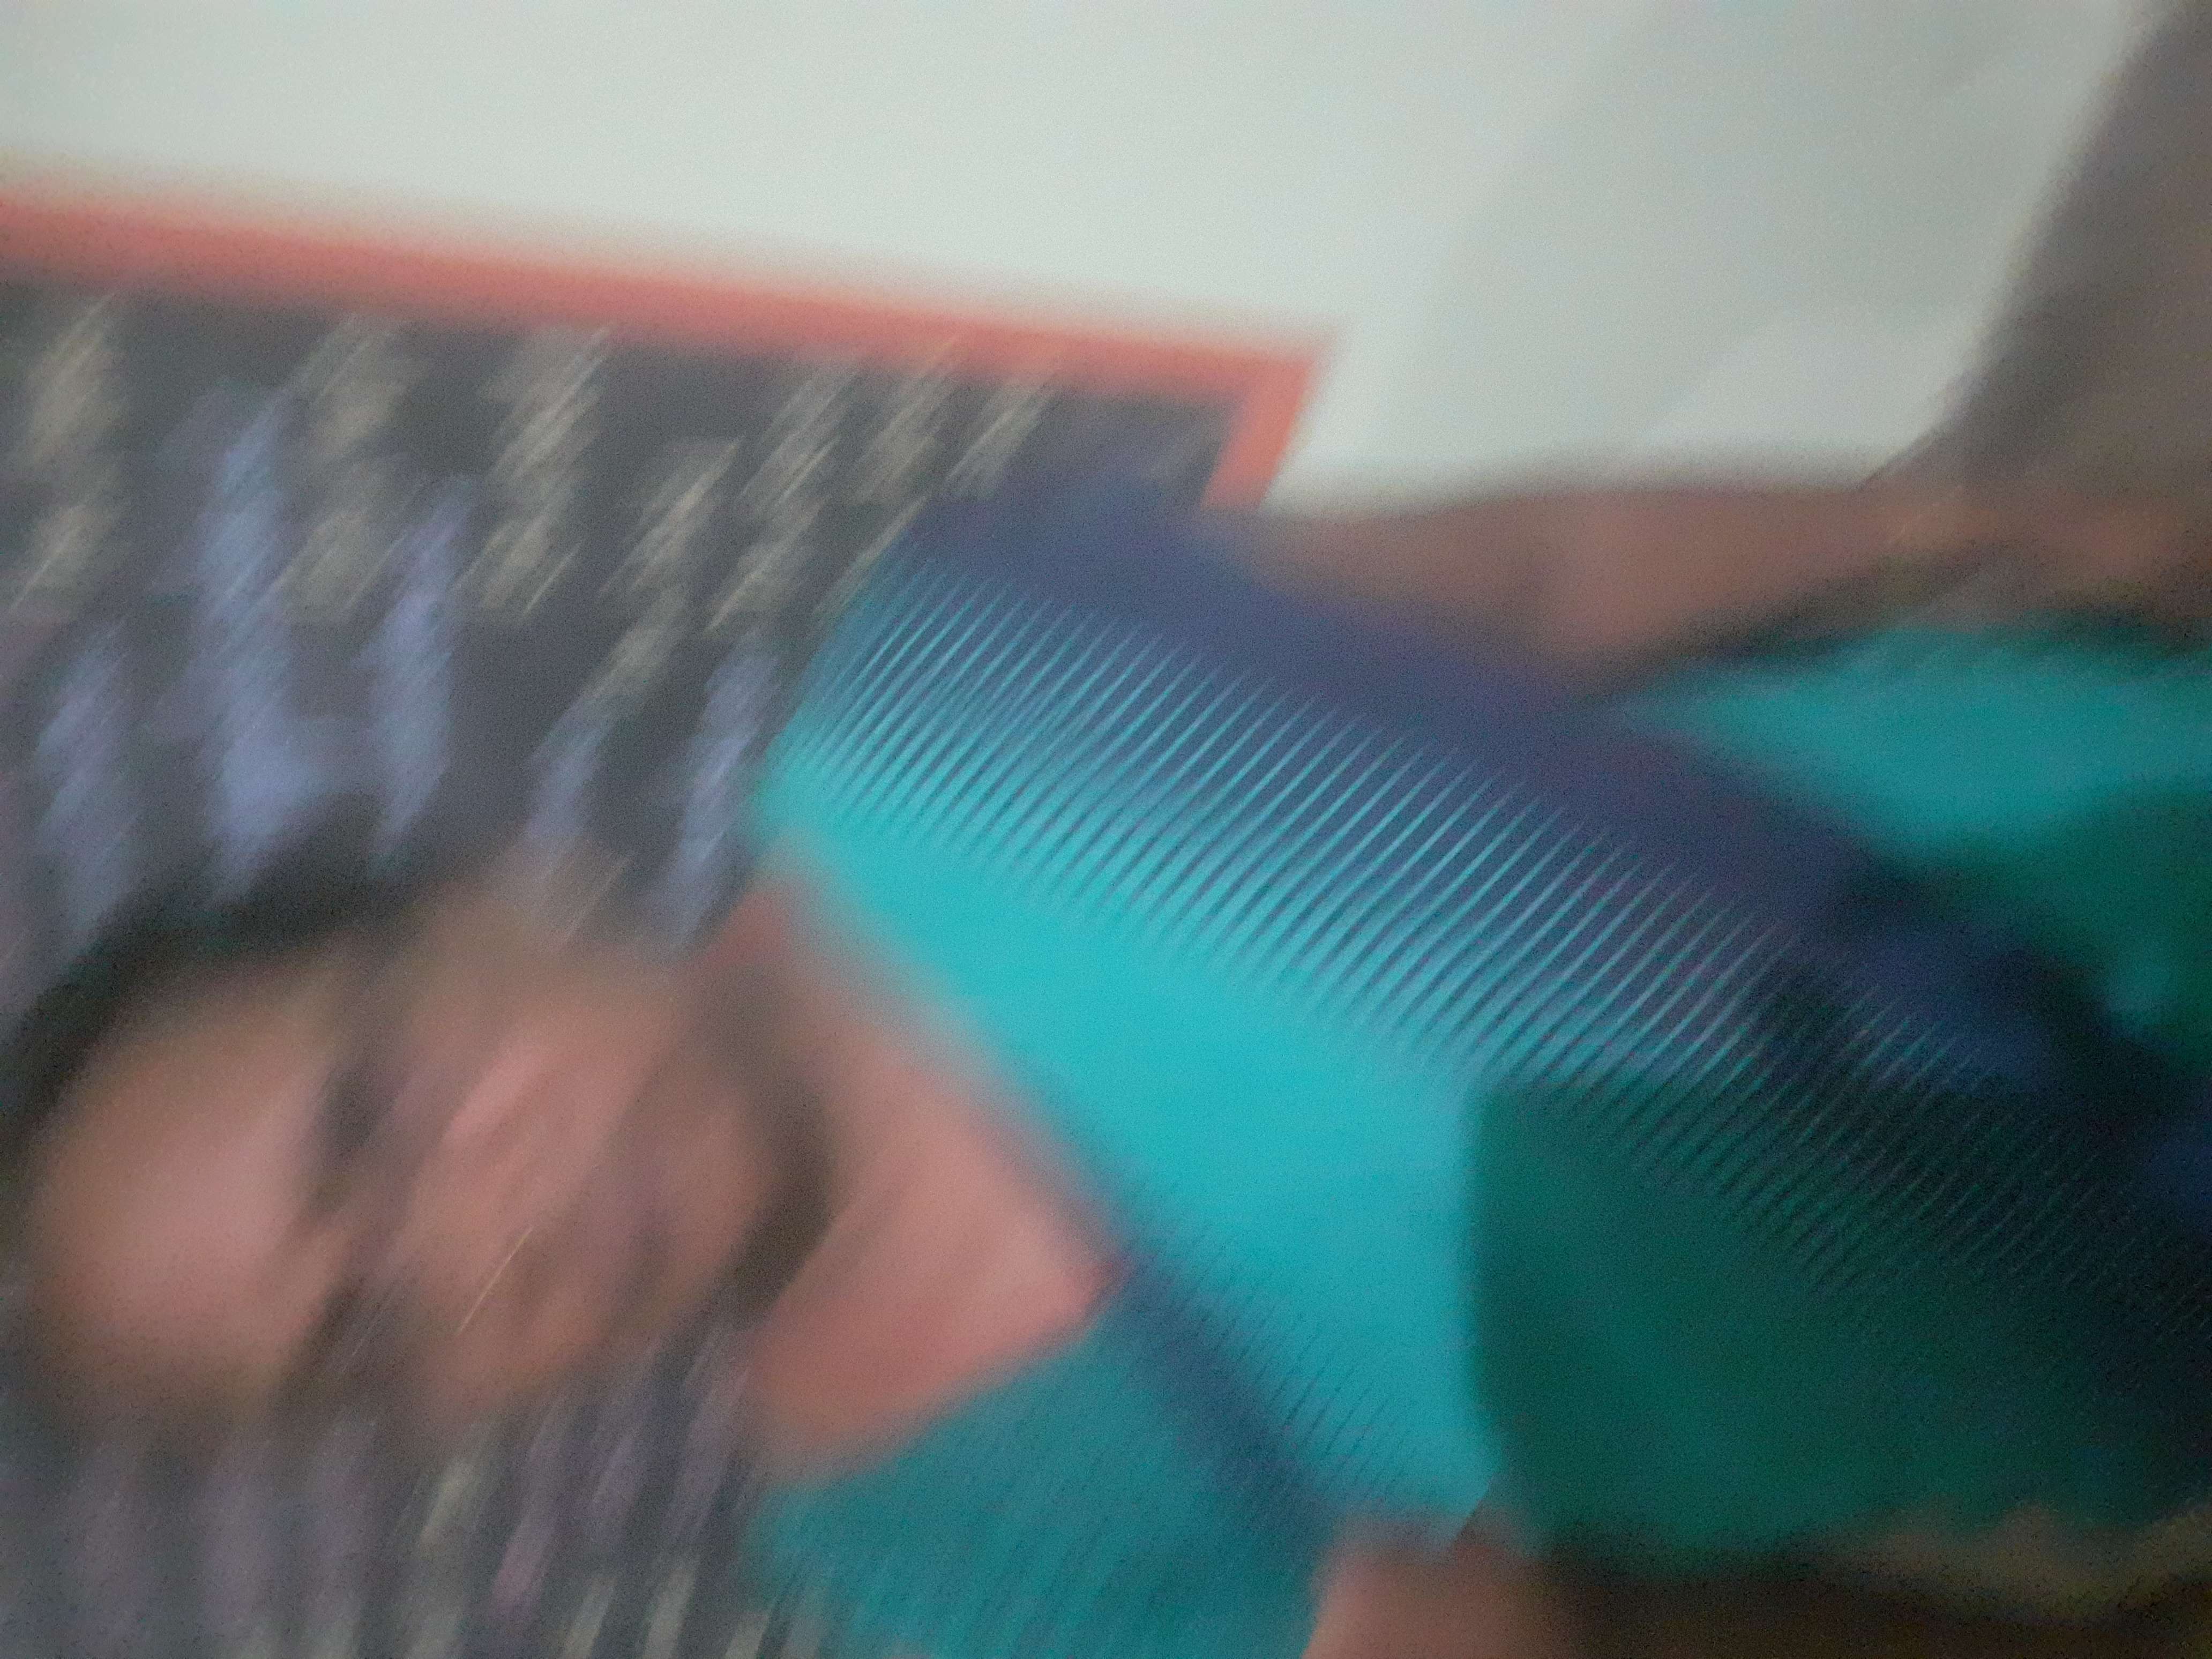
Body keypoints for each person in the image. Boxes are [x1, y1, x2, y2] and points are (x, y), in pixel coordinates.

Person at [9, 475, 2212, 1659]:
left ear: (485, 905)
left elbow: (1533, 576)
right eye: (371, 1337)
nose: (478, 1248)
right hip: (2132, 1344)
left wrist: (1993, 524)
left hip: (2137, 795)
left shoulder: (978, 677)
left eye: (377, 1124)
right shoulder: (950, 1545)